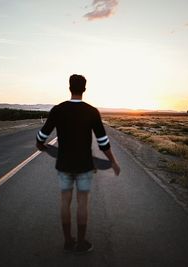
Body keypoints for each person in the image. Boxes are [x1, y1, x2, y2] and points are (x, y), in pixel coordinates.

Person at [36, 74, 120, 254]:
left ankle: (68, 242)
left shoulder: (58, 110)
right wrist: (113, 161)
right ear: (84, 89)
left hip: (64, 164)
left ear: (69, 88)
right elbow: (103, 142)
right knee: (82, 203)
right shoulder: (92, 111)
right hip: (84, 165)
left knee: (65, 201)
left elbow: (42, 137)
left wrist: (40, 146)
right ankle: (81, 243)